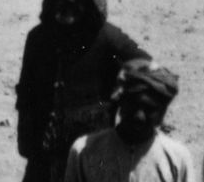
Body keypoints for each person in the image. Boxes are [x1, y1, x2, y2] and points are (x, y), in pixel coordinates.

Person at [17, 0, 150, 182]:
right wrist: (27, 141)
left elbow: (150, 71)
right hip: (44, 156)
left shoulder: (108, 39)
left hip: (91, 156)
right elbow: (26, 93)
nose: (68, 1)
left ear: (90, 0)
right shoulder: (38, 38)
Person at [62, 60, 192, 182]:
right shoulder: (85, 150)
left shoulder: (177, 158)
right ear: (121, 102)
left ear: (162, 114)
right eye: (133, 104)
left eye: (150, 109)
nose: (139, 116)